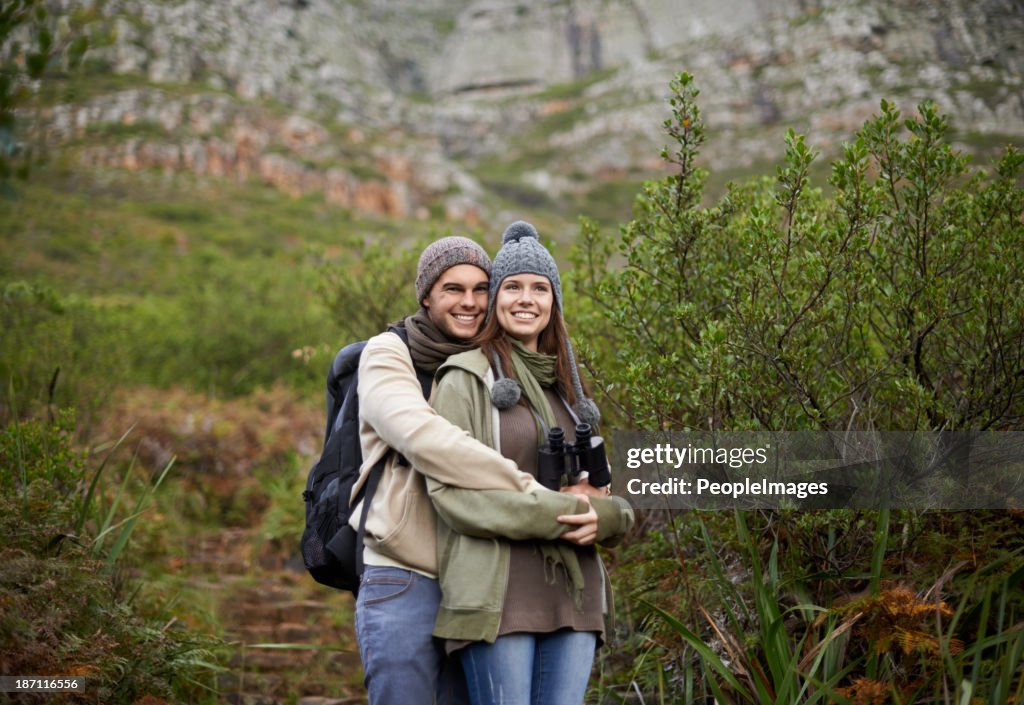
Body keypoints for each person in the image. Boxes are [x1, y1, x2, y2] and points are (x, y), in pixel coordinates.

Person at [352, 236, 618, 705]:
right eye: (453, 289)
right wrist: (540, 496)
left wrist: (606, 510)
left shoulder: (525, 376)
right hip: (408, 569)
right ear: (426, 295)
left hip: (481, 568)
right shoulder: (389, 354)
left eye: (480, 289)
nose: (470, 302)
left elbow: (600, 482)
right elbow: (425, 439)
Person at [426, 221, 635, 705]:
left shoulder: (568, 389)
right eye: (513, 287)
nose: (526, 299)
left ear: (554, 302)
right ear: (496, 297)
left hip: (573, 595)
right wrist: (563, 514)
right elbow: (452, 496)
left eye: (540, 288)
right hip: (498, 596)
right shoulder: (465, 379)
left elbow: (600, 496)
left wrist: (610, 516)